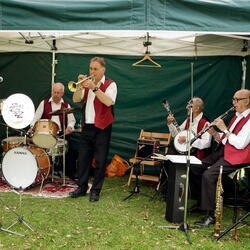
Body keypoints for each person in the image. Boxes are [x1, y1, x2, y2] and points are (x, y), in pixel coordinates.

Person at [190, 89, 250, 227]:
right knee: (195, 166)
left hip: (239, 156)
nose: (233, 103)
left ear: (247, 101)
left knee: (209, 175)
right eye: (233, 99)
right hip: (225, 151)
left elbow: (240, 144)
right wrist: (214, 133)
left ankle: (211, 215)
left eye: (237, 100)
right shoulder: (236, 117)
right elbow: (226, 140)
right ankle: (201, 203)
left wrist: (224, 129)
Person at [69, 57, 117, 202]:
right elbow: (76, 99)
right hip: (87, 126)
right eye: (91, 68)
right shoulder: (86, 84)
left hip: (102, 127)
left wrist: (94, 88)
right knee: (83, 159)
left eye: (95, 69)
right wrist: (79, 86)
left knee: (101, 160)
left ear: (103, 70)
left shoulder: (110, 84)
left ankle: (95, 191)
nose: (92, 71)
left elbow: (109, 101)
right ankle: (82, 187)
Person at [29, 82, 76, 178]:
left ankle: (68, 173)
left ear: (62, 93)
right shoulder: (44, 103)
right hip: (46, 132)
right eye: (54, 92)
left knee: (69, 147)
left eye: (58, 93)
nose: (56, 94)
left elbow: (72, 120)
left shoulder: (66, 105)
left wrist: (70, 127)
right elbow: (35, 118)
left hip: (61, 132)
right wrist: (33, 127)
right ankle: (45, 169)